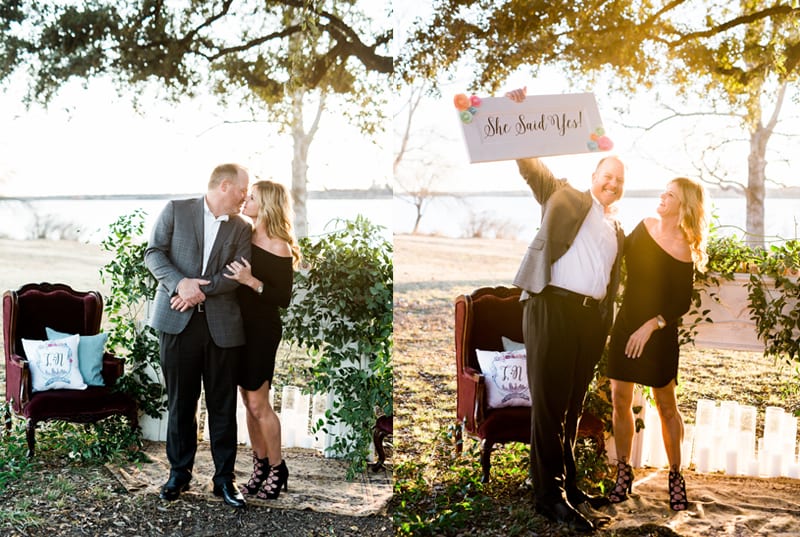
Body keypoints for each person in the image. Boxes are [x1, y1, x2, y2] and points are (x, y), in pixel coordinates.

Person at [507, 87, 626, 532]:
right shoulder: (562, 194)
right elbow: (528, 163)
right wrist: (519, 112)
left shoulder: (616, 225)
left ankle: (569, 484)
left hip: (587, 321)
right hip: (550, 308)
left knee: (573, 407)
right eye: (606, 175)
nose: (611, 183)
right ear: (593, 174)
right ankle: (548, 497)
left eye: (619, 180)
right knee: (549, 406)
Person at [144, 163, 252, 509]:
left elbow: (236, 273)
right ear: (225, 185)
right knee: (181, 403)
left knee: (222, 405)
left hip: (221, 327)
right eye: (242, 190)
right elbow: (153, 254)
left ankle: (225, 480)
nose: (245, 197)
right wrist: (180, 284)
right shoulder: (176, 210)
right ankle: (179, 474)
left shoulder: (241, 227)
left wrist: (198, 290)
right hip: (177, 322)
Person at [605, 177, 709, 511]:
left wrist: (650, 326)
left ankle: (676, 476)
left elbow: (681, 304)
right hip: (625, 326)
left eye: (670, 195)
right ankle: (624, 471)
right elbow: (615, 256)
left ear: (684, 206)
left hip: (659, 335)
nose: (662, 197)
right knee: (620, 400)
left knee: (667, 407)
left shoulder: (685, 248)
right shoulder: (644, 227)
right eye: (663, 192)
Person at [223, 180, 301, 500]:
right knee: (247, 402)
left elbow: (282, 298)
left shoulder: (280, 245)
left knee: (259, 403)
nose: (245, 201)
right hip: (237, 328)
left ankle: (277, 467)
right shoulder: (244, 232)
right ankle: (259, 467)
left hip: (262, 331)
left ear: (266, 204)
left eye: (252, 198)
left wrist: (250, 280)